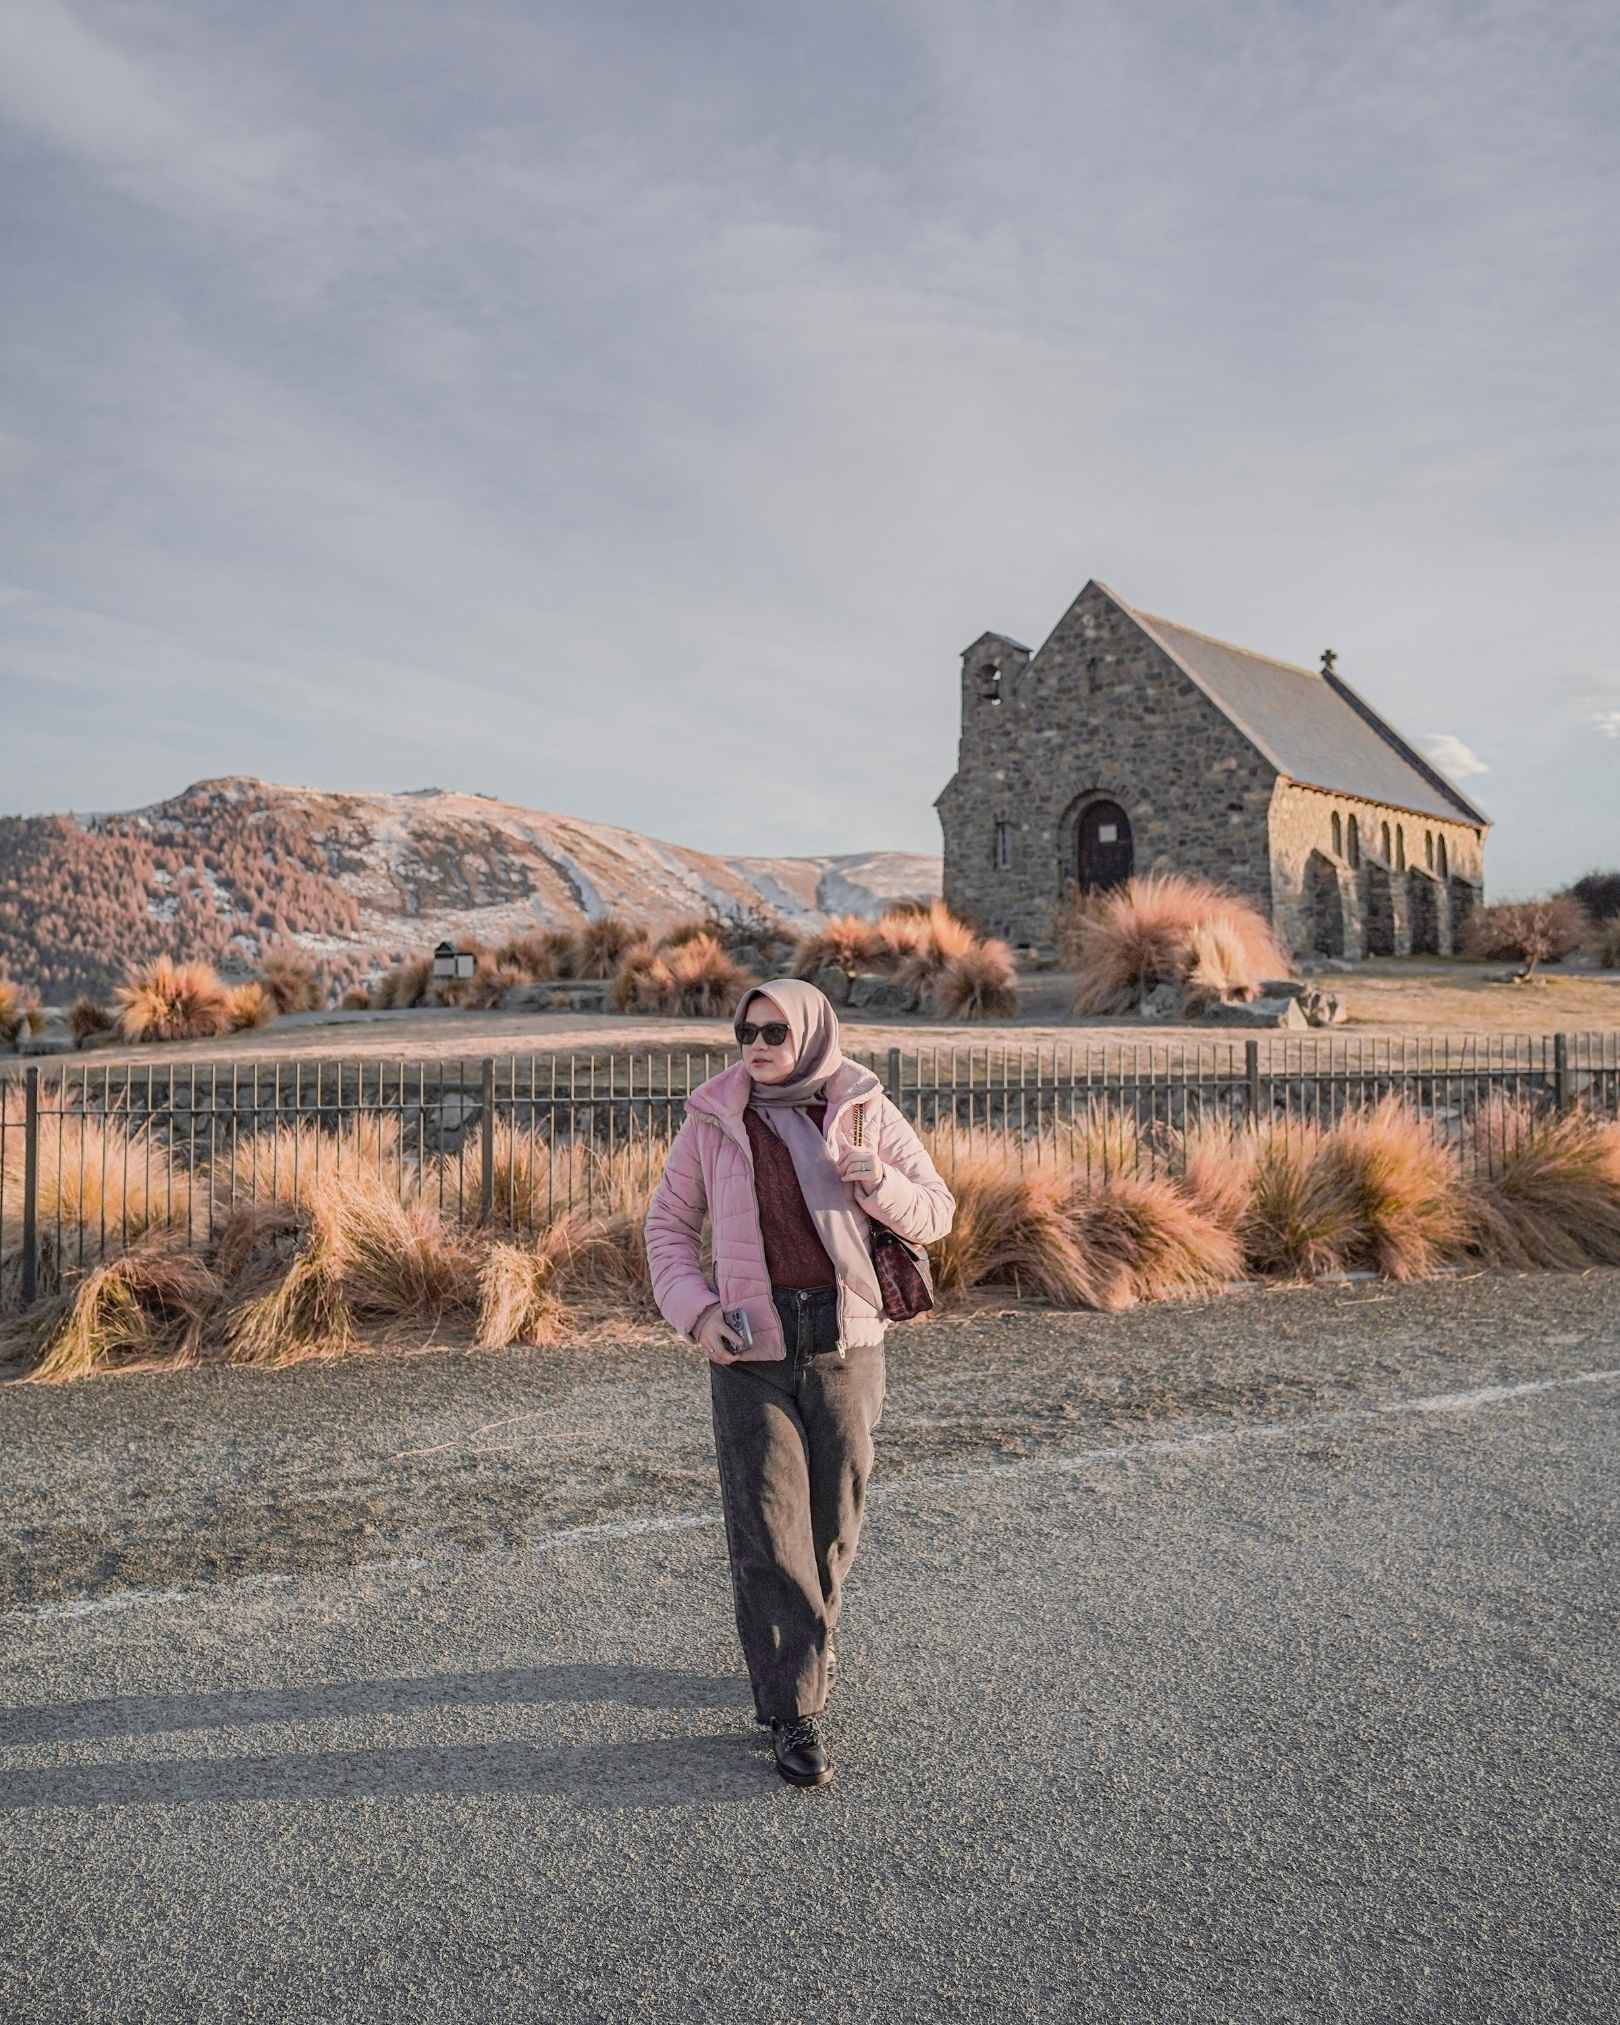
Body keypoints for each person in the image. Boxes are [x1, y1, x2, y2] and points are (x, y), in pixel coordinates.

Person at [642, 976, 956, 1787]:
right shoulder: (714, 1117)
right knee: (768, 1531)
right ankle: (793, 1710)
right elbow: (667, 1225)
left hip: (847, 1346)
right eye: (746, 1029)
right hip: (750, 1352)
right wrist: (698, 1312)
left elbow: (937, 1211)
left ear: (812, 1032)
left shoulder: (861, 1108)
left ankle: (808, 1642)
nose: (756, 1044)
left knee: (831, 1525)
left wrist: (874, 1180)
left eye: (775, 1031)